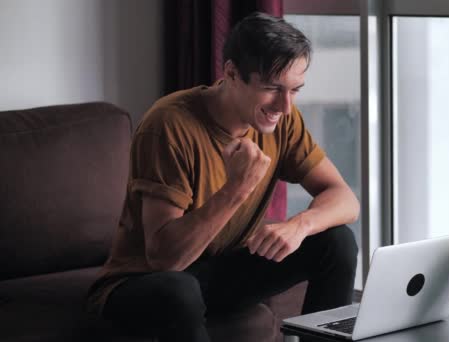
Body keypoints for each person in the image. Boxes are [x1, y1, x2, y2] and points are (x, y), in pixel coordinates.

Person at [86, 12, 360, 342]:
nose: (285, 106)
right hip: (141, 284)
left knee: (336, 241)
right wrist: (237, 187)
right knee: (180, 289)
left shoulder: (282, 120)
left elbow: (345, 200)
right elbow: (166, 259)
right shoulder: (169, 126)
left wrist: (299, 224)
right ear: (231, 73)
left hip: (217, 272)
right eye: (272, 88)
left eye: (295, 90)